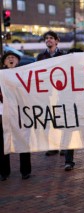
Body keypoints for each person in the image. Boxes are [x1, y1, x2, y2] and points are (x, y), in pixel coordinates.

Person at [0, 51, 31, 180]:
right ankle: (3, 172)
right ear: (4, 62)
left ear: (18, 61)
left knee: (23, 141)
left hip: (20, 112)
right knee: (3, 143)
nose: (11, 59)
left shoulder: (23, 74)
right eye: (8, 58)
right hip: (3, 112)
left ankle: (25, 171)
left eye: (13, 57)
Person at [37, 30, 65, 156]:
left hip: (61, 93)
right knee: (50, 120)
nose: (48, 40)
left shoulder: (64, 56)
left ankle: (64, 146)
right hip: (47, 93)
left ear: (56, 41)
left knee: (62, 119)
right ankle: (53, 146)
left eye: (51, 38)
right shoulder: (40, 57)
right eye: (46, 38)